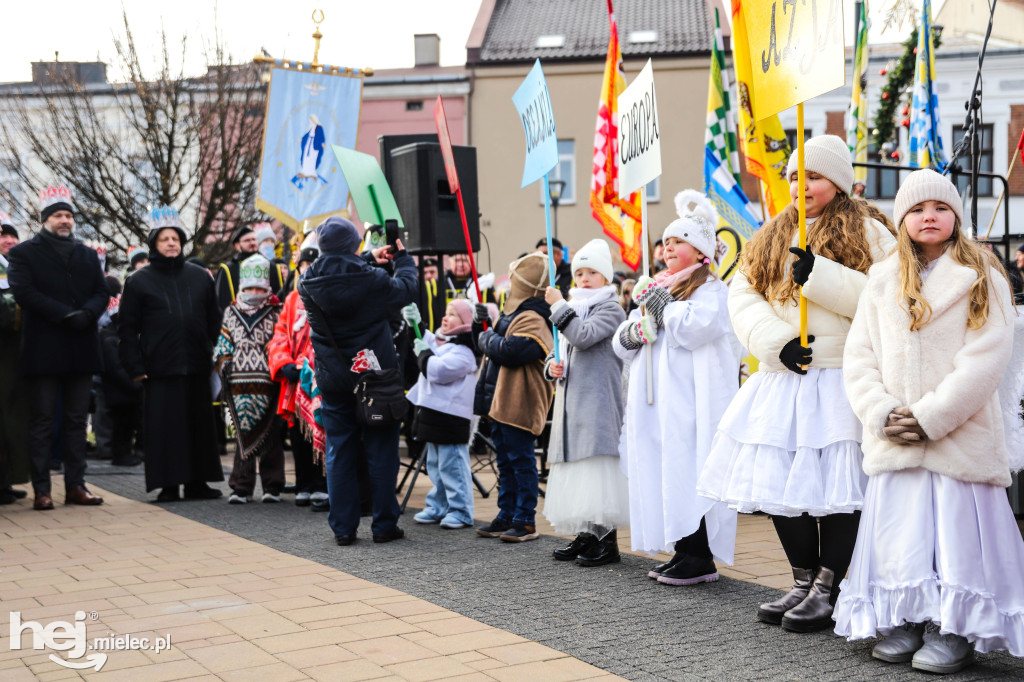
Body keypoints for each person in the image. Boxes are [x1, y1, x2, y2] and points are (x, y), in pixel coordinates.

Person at [697, 135, 896, 631]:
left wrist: (821, 275)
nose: (801, 184)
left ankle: (833, 583)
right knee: (780, 484)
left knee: (839, 489)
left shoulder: (871, 232)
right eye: (793, 176)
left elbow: (889, 296)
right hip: (785, 375)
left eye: (814, 175)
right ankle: (803, 579)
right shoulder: (768, 235)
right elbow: (743, 297)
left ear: (839, 181)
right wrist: (775, 341)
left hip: (841, 376)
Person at [835, 169, 1024, 672]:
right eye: (917, 210)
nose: (929, 216)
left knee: (956, 536)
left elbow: (986, 358)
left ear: (955, 216)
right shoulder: (881, 278)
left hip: (956, 436)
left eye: (939, 207)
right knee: (904, 533)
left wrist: (931, 417)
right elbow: (860, 357)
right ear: (902, 220)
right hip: (896, 436)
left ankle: (954, 625)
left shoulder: (982, 274)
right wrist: (879, 411)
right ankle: (908, 615)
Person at [614, 192, 741, 584]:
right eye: (665, 242)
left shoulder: (713, 291)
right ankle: (683, 548)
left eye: (678, 241)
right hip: (659, 404)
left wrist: (661, 305)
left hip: (692, 403)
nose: (667, 247)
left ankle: (699, 555)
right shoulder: (659, 287)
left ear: (700, 250)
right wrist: (637, 330)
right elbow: (623, 344)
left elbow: (693, 329)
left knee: (690, 470)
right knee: (667, 472)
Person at [299, 217, 417, 545]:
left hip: (334, 378)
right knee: (381, 450)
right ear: (355, 244)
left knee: (339, 451)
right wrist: (403, 260)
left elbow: (337, 274)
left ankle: (343, 528)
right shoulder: (373, 280)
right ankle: (383, 526)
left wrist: (363, 258)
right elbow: (406, 289)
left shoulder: (306, 282)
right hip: (375, 375)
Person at [7, 186, 109, 509]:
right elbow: (24, 292)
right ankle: (42, 490)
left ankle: (76, 486)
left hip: (81, 346)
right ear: (45, 220)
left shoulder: (87, 253)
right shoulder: (24, 253)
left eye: (68, 215)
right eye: (58, 215)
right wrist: (64, 315)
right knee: (42, 419)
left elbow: (101, 291)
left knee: (77, 421)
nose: (64, 220)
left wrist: (88, 314)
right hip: (44, 348)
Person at [118, 207, 224, 502]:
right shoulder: (138, 281)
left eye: (175, 238)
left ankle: (198, 483)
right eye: (164, 238)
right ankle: (168, 484)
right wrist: (135, 366)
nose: (171, 243)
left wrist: (210, 350)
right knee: (166, 429)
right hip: (159, 367)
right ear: (154, 243)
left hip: (196, 363)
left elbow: (214, 319)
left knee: (199, 426)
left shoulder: (200, 276)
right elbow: (126, 329)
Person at [542, 238, 629, 566]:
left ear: (606, 277)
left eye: (593, 272)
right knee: (579, 472)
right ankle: (586, 534)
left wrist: (557, 306)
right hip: (571, 402)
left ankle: (607, 542)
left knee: (596, 470)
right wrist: (552, 365)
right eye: (579, 273)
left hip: (595, 403)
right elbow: (561, 348)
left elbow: (583, 335)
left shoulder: (611, 308)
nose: (584, 279)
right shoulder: (574, 307)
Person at [473, 252, 554, 542]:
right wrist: (478, 326)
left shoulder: (535, 315)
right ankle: (505, 513)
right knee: (505, 462)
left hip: (521, 401)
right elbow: (494, 345)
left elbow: (513, 351)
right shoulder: (515, 314)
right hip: (501, 401)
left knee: (521, 461)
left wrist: (486, 339)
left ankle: (525, 518)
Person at [214, 254, 285, 504]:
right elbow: (223, 343)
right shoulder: (231, 312)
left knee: (271, 436)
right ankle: (240, 487)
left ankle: (272, 486)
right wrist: (225, 363)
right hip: (238, 385)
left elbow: (280, 343)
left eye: (259, 288)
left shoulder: (277, 312)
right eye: (249, 288)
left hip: (269, 383)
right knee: (242, 436)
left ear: (266, 288)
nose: (254, 292)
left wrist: (275, 363)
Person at [403, 298, 479, 529]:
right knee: (435, 465)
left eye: (453, 314)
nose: (446, 318)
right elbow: (424, 341)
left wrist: (424, 354)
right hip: (433, 415)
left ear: (465, 323)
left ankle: (461, 509)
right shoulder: (442, 344)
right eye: (446, 313)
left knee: (453, 465)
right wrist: (415, 324)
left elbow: (437, 370)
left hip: (451, 419)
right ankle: (439, 505)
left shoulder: (464, 353)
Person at [269, 246, 328, 511]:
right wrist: (284, 364)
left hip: (321, 379)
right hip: (295, 381)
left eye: (312, 263)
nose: (307, 268)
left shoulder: (329, 294)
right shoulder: (292, 299)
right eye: (303, 264)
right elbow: (280, 333)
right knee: (298, 434)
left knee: (321, 429)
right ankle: (304, 485)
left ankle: (323, 486)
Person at [0, 216, 29, 503]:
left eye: (10, 234)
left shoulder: (12, 266)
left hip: (13, 355)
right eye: (2, 235)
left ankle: (6, 480)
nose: (7, 239)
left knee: (11, 420)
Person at [98, 290, 143, 467]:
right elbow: (116, 369)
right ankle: (121, 455)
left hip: (126, 391)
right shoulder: (110, 340)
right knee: (121, 427)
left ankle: (125, 453)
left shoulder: (117, 338)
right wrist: (135, 383)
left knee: (127, 425)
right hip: (120, 393)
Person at [215, 224, 284, 313]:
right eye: (247, 240)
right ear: (237, 245)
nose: (252, 243)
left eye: (254, 240)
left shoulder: (272, 267)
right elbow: (221, 303)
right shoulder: (227, 270)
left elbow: (280, 298)